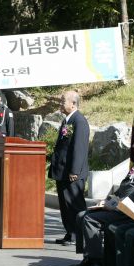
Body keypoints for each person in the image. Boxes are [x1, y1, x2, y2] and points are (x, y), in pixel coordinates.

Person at [72, 129, 134, 266]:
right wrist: (109, 199)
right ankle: (89, 257)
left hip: (129, 210)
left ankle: (97, 262)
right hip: (119, 204)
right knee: (80, 215)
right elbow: (125, 185)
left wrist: (117, 204)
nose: (133, 146)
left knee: (90, 219)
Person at [48, 90, 90, 246]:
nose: (60, 103)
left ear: (73, 103)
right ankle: (70, 232)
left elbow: (79, 148)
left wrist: (75, 171)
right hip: (63, 171)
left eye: (63, 101)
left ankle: (80, 235)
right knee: (65, 205)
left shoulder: (79, 121)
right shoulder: (67, 120)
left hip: (72, 172)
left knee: (75, 205)